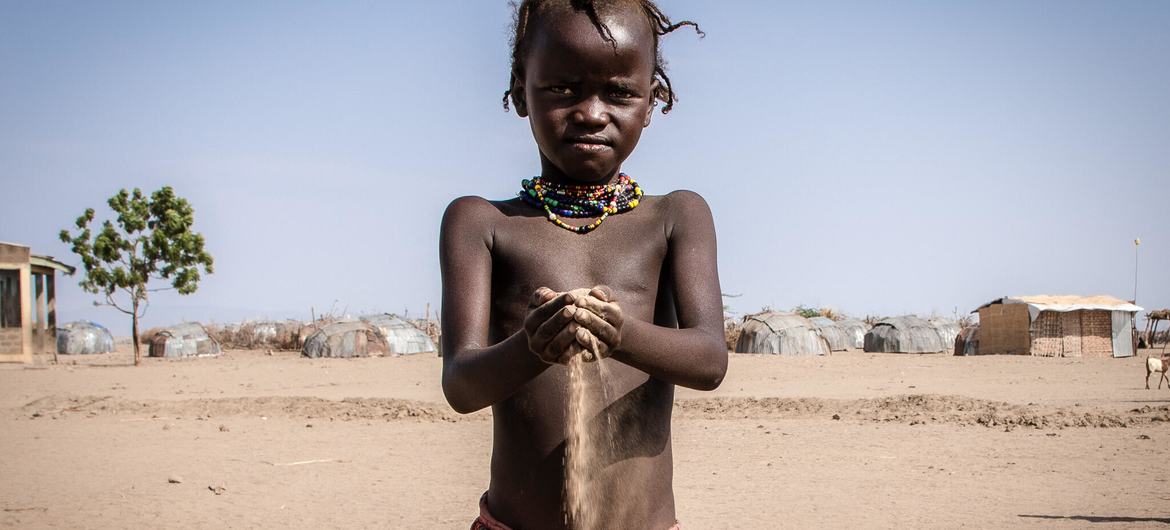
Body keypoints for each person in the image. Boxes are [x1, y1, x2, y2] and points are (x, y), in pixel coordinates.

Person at [439, 1, 725, 528]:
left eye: (618, 92)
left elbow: (709, 361)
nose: (592, 112)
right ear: (520, 87)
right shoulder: (481, 223)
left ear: (652, 100)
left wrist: (622, 334)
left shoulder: (675, 217)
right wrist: (532, 347)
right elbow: (461, 385)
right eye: (562, 89)